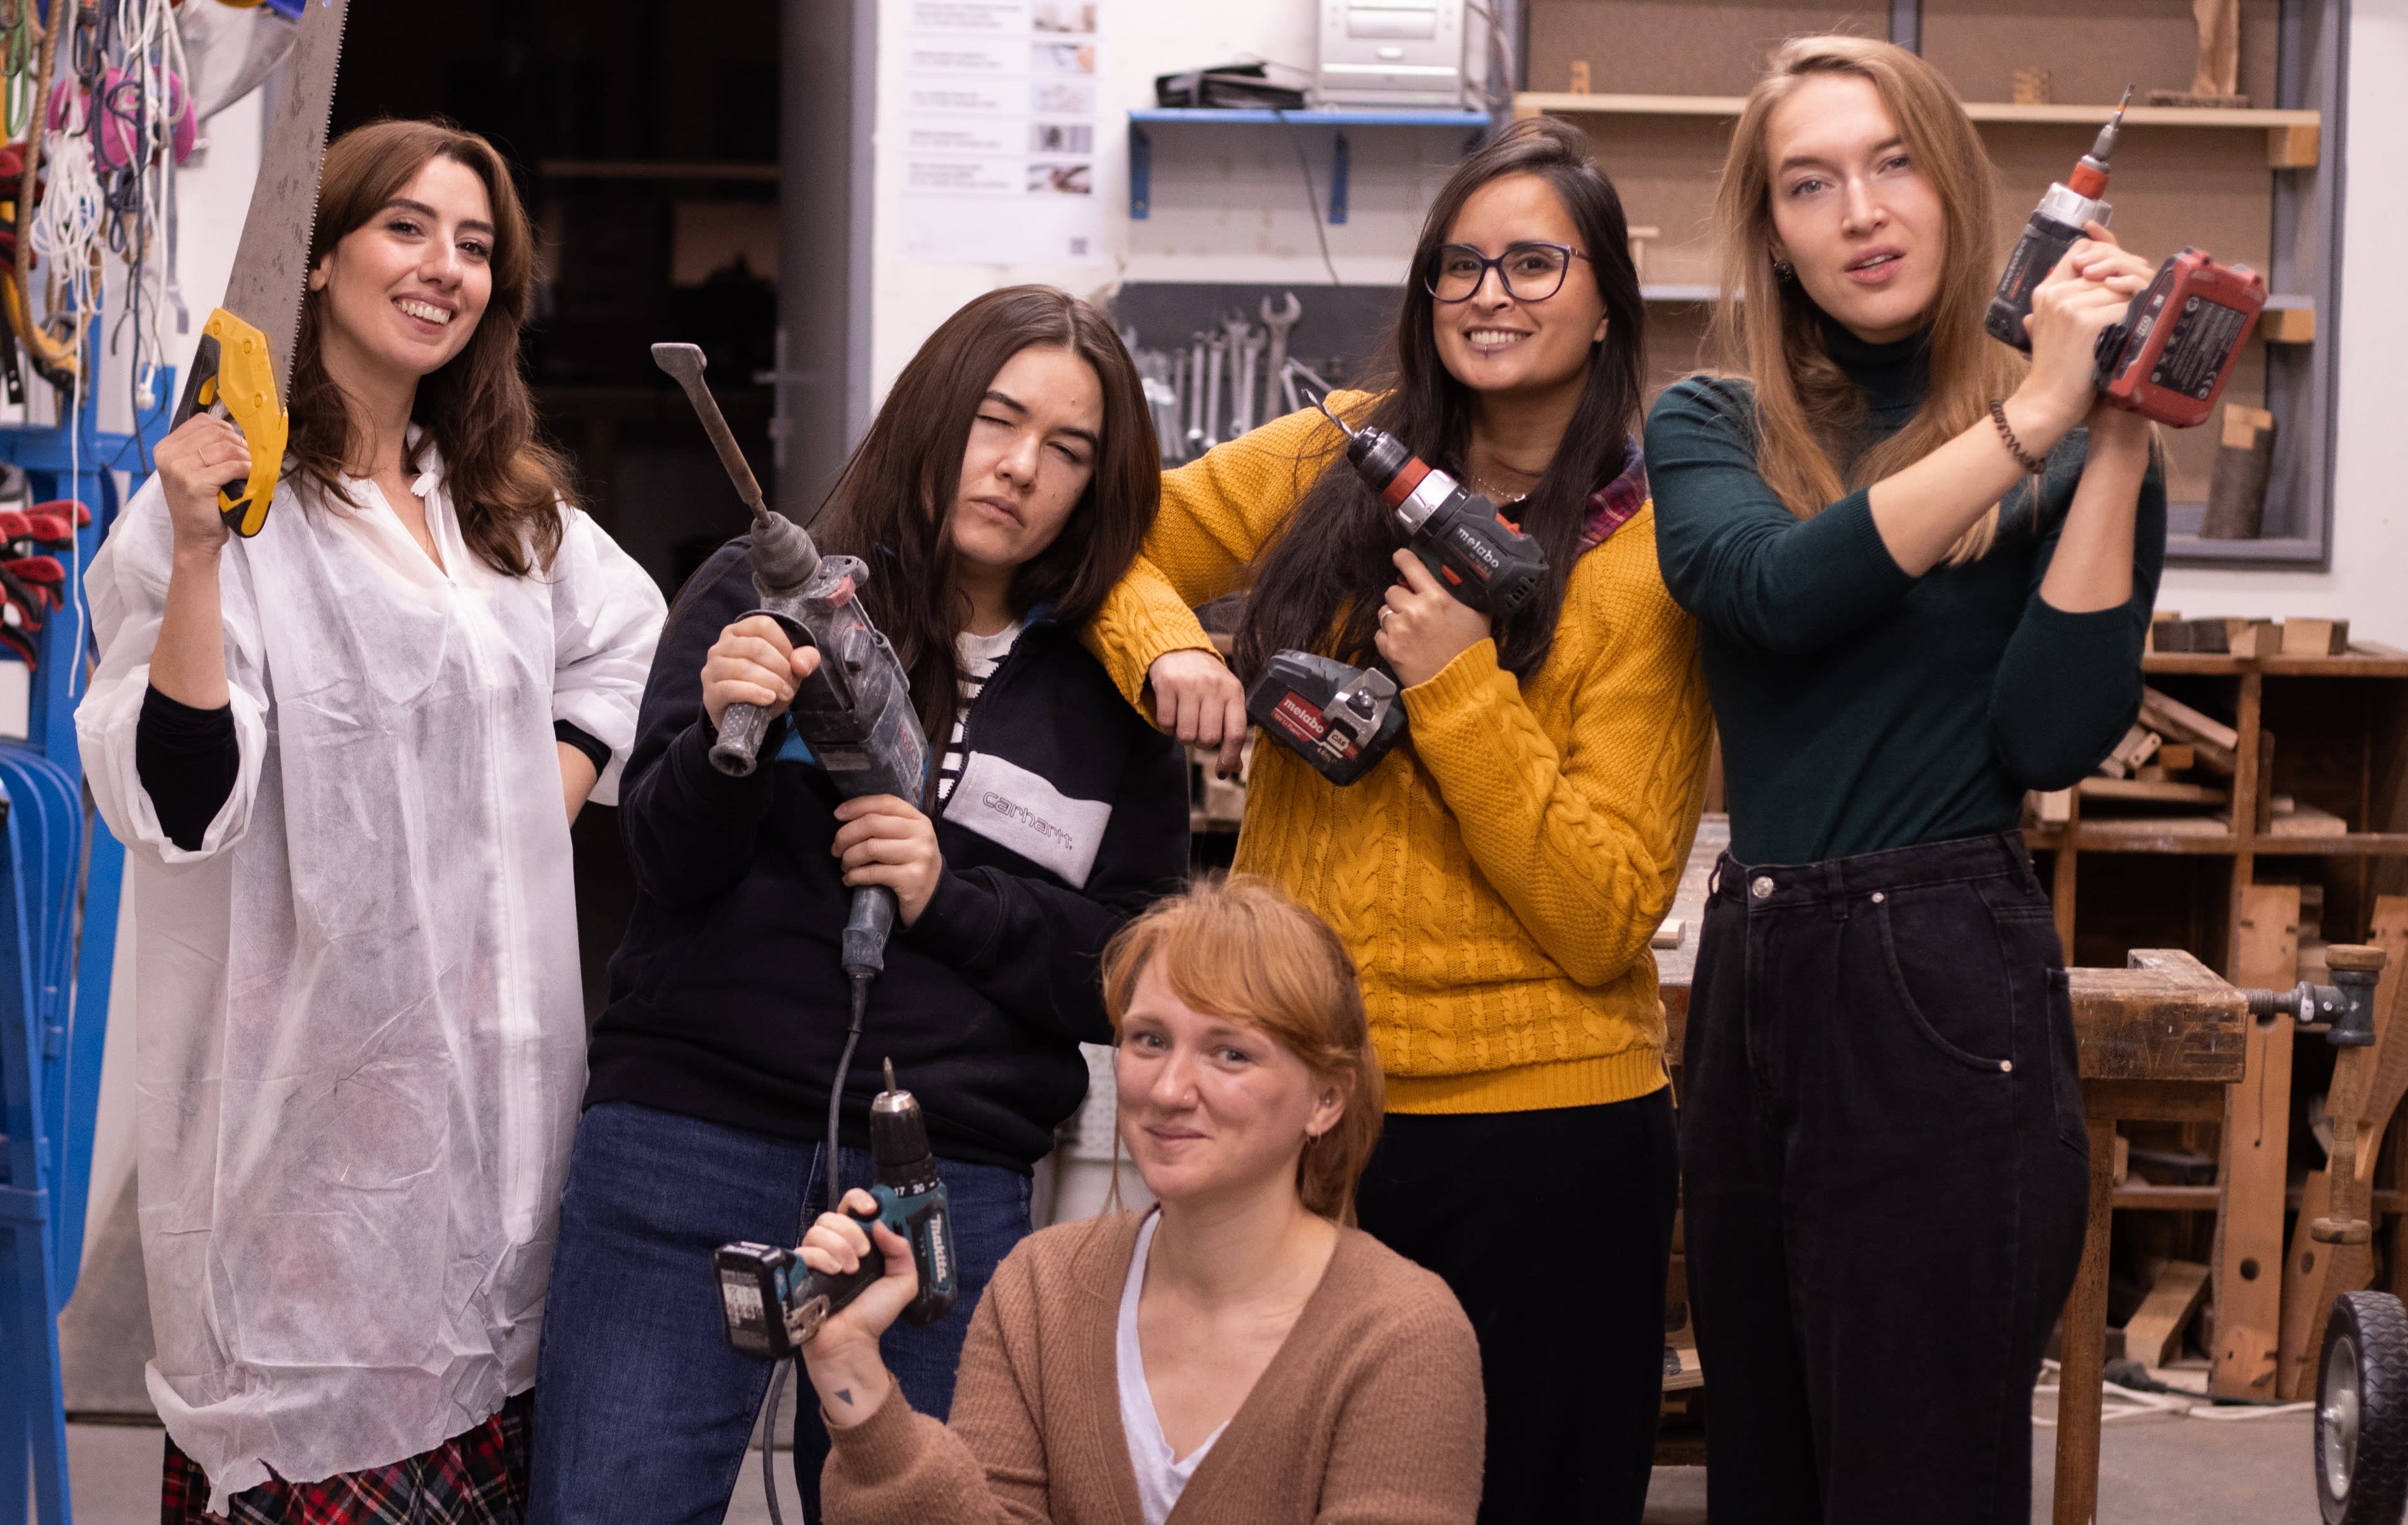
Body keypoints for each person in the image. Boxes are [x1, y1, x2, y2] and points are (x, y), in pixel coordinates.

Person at [1083, 117, 1708, 1523]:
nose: (1492, 294)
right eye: (1461, 267)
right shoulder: (1341, 452)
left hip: (1540, 1137)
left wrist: (1460, 687)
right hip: (1297, 1109)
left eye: (1535, 263)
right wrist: (1172, 655)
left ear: (1607, 293)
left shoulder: (1653, 553)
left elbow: (1607, 909)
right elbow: (1110, 533)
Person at [77, 119, 667, 1522]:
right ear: (321, 252)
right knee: (306, 1427)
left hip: (493, 1103)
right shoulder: (216, 514)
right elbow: (179, 793)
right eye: (407, 227)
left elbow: (629, 643)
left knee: (483, 1400)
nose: (444, 267)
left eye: (476, 246)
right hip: (303, 1121)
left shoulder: (504, 512)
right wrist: (211, 552)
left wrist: (544, 798)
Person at [529, 285, 1192, 1525]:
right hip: (685, 1139)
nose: (1018, 467)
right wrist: (730, 726)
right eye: (997, 419)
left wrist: (954, 898)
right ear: (932, 418)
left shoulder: (1113, 689)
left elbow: (1131, 970)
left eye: (1068, 449)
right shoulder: (760, 588)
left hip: (943, 1176)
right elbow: (665, 870)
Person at [1644, 35, 2166, 1521]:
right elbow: (1772, 595)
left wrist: (2115, 441)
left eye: (1890, 165)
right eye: (1808, 184)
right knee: (1766, 1462)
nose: (1858, 212)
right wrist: (2036, 418)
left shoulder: (2073, 440)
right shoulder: (1711, 423)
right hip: (1755, 961)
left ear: (1956, 186)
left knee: (1913, 1471)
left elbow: (2050, 737)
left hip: (1944, 963)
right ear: (1772, 234)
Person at [798, 874, 1483, 1525]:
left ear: (1327, 1097)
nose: (1168, 1089)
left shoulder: (1401, 1334)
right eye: (1149, 1040)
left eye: (1230, 1053)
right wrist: (849, 1365)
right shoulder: (1043, 1287)